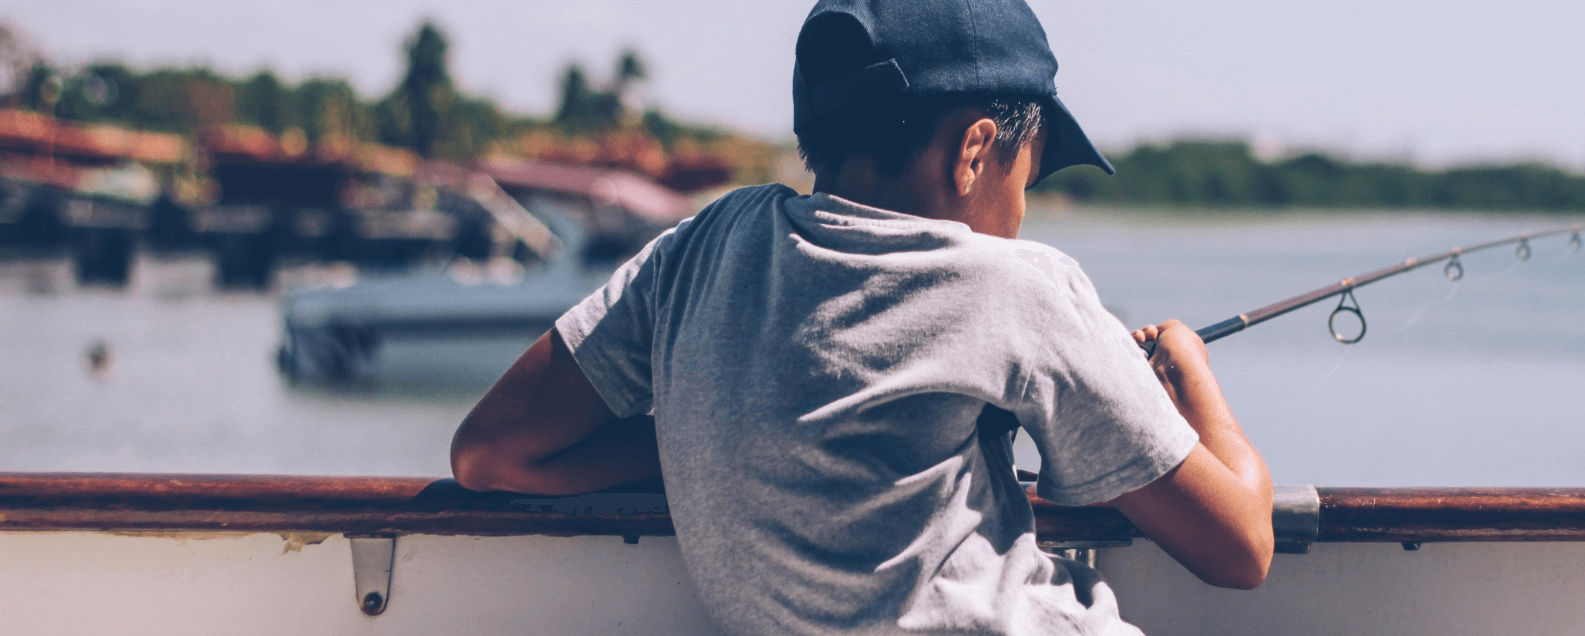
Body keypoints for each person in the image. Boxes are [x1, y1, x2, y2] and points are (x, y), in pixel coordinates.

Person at [449, 0, 1274, 633]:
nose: (1025, 210)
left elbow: (491, 453)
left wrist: (726, 444)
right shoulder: (1018, 285)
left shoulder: (703, 247)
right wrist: (1188, 367)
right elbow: (1241, 548)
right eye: (1029, 172)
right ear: (975, 150)